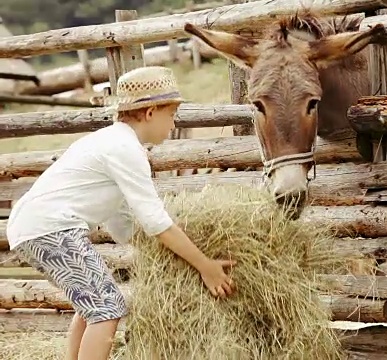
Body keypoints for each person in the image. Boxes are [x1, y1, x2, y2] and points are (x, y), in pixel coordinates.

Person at [5, 66, 236, 360]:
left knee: (92, 307)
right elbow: (156, 221)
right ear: (150, 112)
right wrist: (204, 265)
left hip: (35, 227)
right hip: (51, 228)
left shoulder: (112, 142)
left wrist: (159, 255)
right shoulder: (125, 148)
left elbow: (121, 223)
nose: (173, 123)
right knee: (107, 309)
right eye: (171, 115)